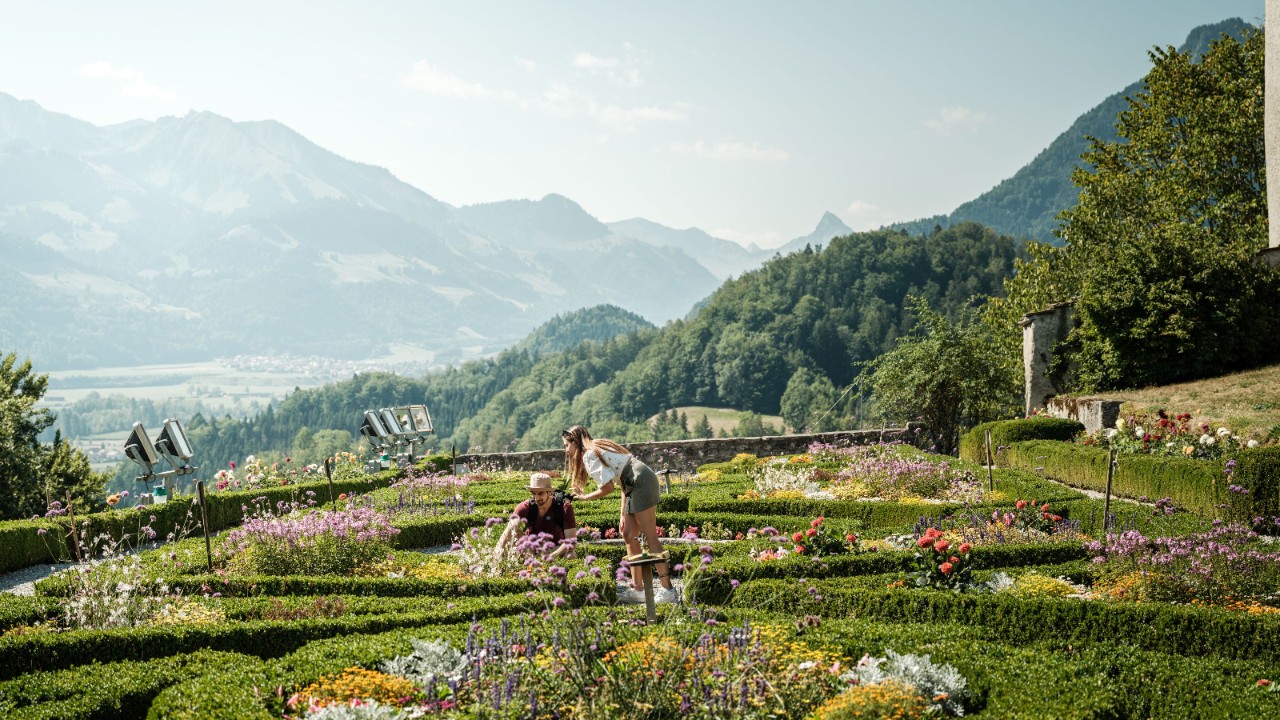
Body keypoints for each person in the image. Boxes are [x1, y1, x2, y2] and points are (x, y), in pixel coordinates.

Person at [562, 425, 677, 604]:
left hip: (640, 481)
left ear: (575, 443)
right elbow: (621, 479)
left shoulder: (589, 454)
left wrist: (584, 498)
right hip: (634, 481)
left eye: (567, 445)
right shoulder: (597, 447)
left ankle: (668, 590)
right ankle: (638, 589)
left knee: (650, 537)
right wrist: (623, 513)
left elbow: (607, 488)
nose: (566, 449)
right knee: (628, 534)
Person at [500, 472, 577, 559]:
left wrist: (552, 556)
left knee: (571, 555)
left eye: (540, 493)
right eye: (533, 493)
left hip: (555, 548)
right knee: (512, 533)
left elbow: (571, 541)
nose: (536, 498)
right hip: (531, 548)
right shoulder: (525, 507)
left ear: (549, 492)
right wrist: (496, 556)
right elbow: (506, 534)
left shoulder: (564, 507)